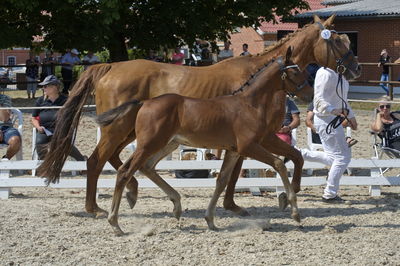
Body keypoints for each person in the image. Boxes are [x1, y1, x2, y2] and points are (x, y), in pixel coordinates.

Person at [300, 34, 358, 203]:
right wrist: (335, 110)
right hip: (326, 120)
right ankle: (329, 194)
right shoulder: (325, 73)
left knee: (333, 158)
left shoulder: (340, 76)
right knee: (342, 158)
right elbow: (318, 101)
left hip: (332, 121)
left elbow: (344, 101)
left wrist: (352, 117)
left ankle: (298, 153)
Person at [32, 75, 86, 161]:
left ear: (54, 87)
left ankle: (82, 161)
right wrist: (38, 127)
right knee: (40, 142)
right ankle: (44, 164)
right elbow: (34, 118)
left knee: (63, 143)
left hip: (61, 129)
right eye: (43, 86)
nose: (43, 88)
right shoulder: (40, 101)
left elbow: (73, 115)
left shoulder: (66, 100)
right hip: (44, 130)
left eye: (45, 86)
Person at [0, 94, 21, 160]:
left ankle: (5, 159)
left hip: (6, 128)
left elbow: (5, 118)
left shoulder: (4, 98)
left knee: (15, 141)